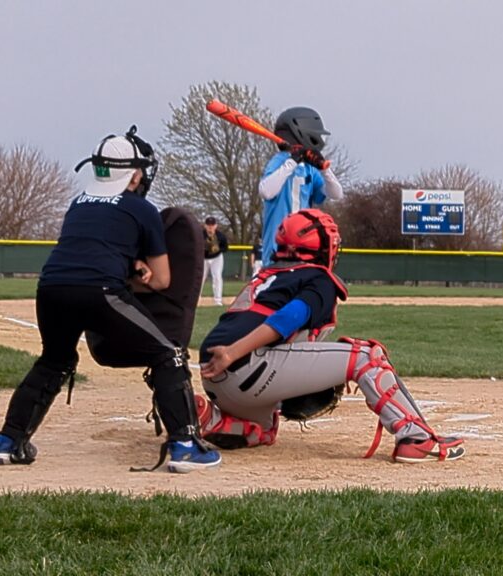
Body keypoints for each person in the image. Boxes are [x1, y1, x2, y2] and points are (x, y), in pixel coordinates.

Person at [0, 127, 221, 473]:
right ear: (133, 175)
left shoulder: (78, 203)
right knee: (168, 354)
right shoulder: (140, 209)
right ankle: (186, 446)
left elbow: (88, 250)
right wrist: (136, 272)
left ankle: (9, 440)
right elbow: (162, 280)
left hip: (50, 288)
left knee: (54, 360)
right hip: (99, 291)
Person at [197, 209, 464, 463]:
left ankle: (212, 420)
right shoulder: (318, 277)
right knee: (367, 356)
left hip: (215, 378)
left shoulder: (267, 276)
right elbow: (288, 319)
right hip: (247, 363)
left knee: (262, 430)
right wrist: (234, 353)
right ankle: (416, 440)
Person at [258, 107, 343, 267]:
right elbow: (266, 191)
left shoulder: (310, 168)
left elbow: (336, 193)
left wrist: (324, 169)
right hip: (277, 249)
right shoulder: (280, 161)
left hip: (303, 247)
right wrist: (292, 162)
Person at [201, 216, 229, 306]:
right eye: (208, 225)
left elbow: (225, 248)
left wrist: (218, 249)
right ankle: (196, 299)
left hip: (217, 258)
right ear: (205, 226)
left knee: (217, 277)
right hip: (203, 258)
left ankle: (218, 300)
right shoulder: (200, 235)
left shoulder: (220, 236)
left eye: (212, 225)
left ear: (216, 226)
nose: (210, 227)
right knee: (200, 278)